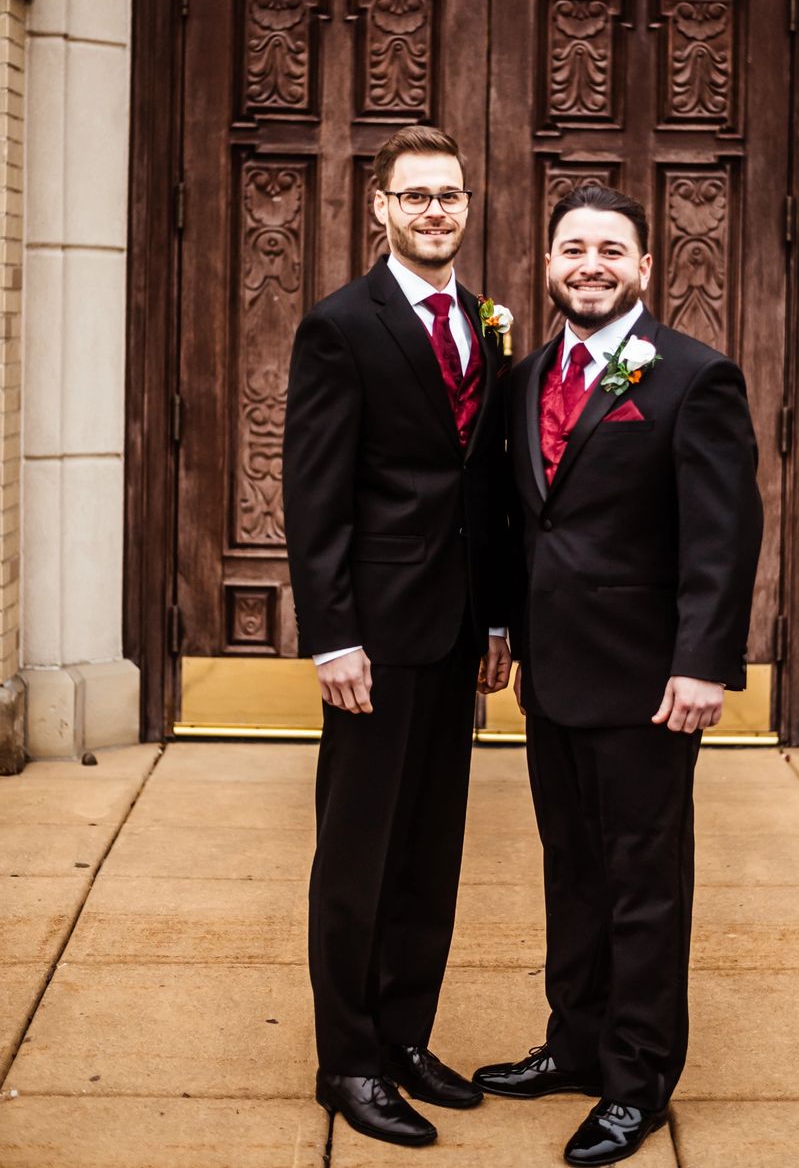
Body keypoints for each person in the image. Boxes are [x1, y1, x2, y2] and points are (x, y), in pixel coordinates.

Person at [474, 184, 762, 1166]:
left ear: (645, 267)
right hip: (552, 679)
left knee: (644, 887)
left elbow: (723, 538)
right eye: (571, 249)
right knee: (574, 874)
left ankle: (637, 1084)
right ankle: (576, 1044)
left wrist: (702, 664)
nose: (588, 264)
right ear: (548, 266)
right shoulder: (527, 377)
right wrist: (504, 623)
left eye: (610, 249)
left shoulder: (694, 376)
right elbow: (524, 521)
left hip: (650, 684)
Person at [283, 124, 512, 1149]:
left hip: (457, 628)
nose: (434, 212)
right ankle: (348, 1060)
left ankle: (407, 1034)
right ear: (378, 206)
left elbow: (491, 486)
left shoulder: (483, 321)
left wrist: (500, 612)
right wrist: (332, 635)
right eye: (415, 196)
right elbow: (315, 490)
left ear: (467, 206)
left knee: (430, 845)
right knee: (359, 852)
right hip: (372, 636)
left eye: (450, 196)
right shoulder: (341, 326)